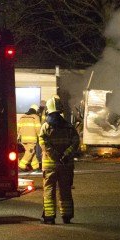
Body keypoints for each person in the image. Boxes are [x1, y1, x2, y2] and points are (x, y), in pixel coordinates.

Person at [39, 95, 80, 224]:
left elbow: (43, 143)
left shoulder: (45, 127)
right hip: (65, 165)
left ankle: (49, 218)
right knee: (65, 191)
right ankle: (66, 216)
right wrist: (66, 154)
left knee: (49, 191)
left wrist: (55, 155)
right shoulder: (69, 127)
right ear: (61, 110)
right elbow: (76, 141)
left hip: (50, 166)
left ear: (48, 110)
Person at [17, 104, 42, 172]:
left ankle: (36, 167)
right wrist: (40, 137)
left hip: (23, 139)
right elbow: (38, 129)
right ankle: (21, 165)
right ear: (36, 110)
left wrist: (17, 136)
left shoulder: (23, 117)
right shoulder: (35, 117)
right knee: (30, 152)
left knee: (31, 152)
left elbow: (17, 128)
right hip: (32, 140)